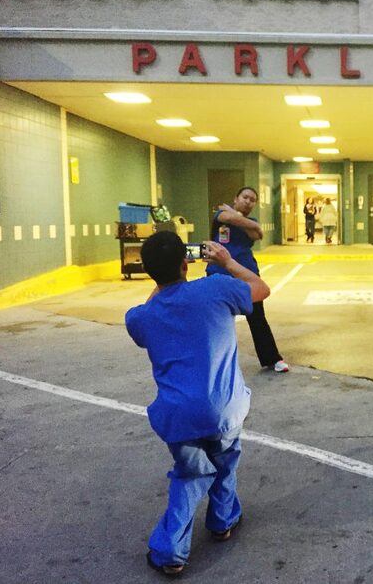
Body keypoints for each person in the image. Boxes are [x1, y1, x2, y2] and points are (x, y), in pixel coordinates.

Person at [125, 231, 270, 577]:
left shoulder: (140, 317)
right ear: (186, 263)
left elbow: (148, 314)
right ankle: (222, 521)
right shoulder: (216, 288)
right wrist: (227, 261)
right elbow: (261, 289)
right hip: (223, 408)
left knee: (190, 474)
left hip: (178, 418)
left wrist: (163, 282)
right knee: (225, 459)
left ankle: (171, 551)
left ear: (148, 271)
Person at [208, 186, 289, 373]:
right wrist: (246, 222)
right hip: (219, 274)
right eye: (245, 197)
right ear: (235, 198)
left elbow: (256, 234)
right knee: (216, 320)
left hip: (247, 274)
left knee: (257, 318)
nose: (248, 201)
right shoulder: (221, 215)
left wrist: (249, 223)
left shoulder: (249, 220)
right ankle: (214, 362)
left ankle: (272, 359)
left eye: (252, 200)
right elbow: (229, 219)